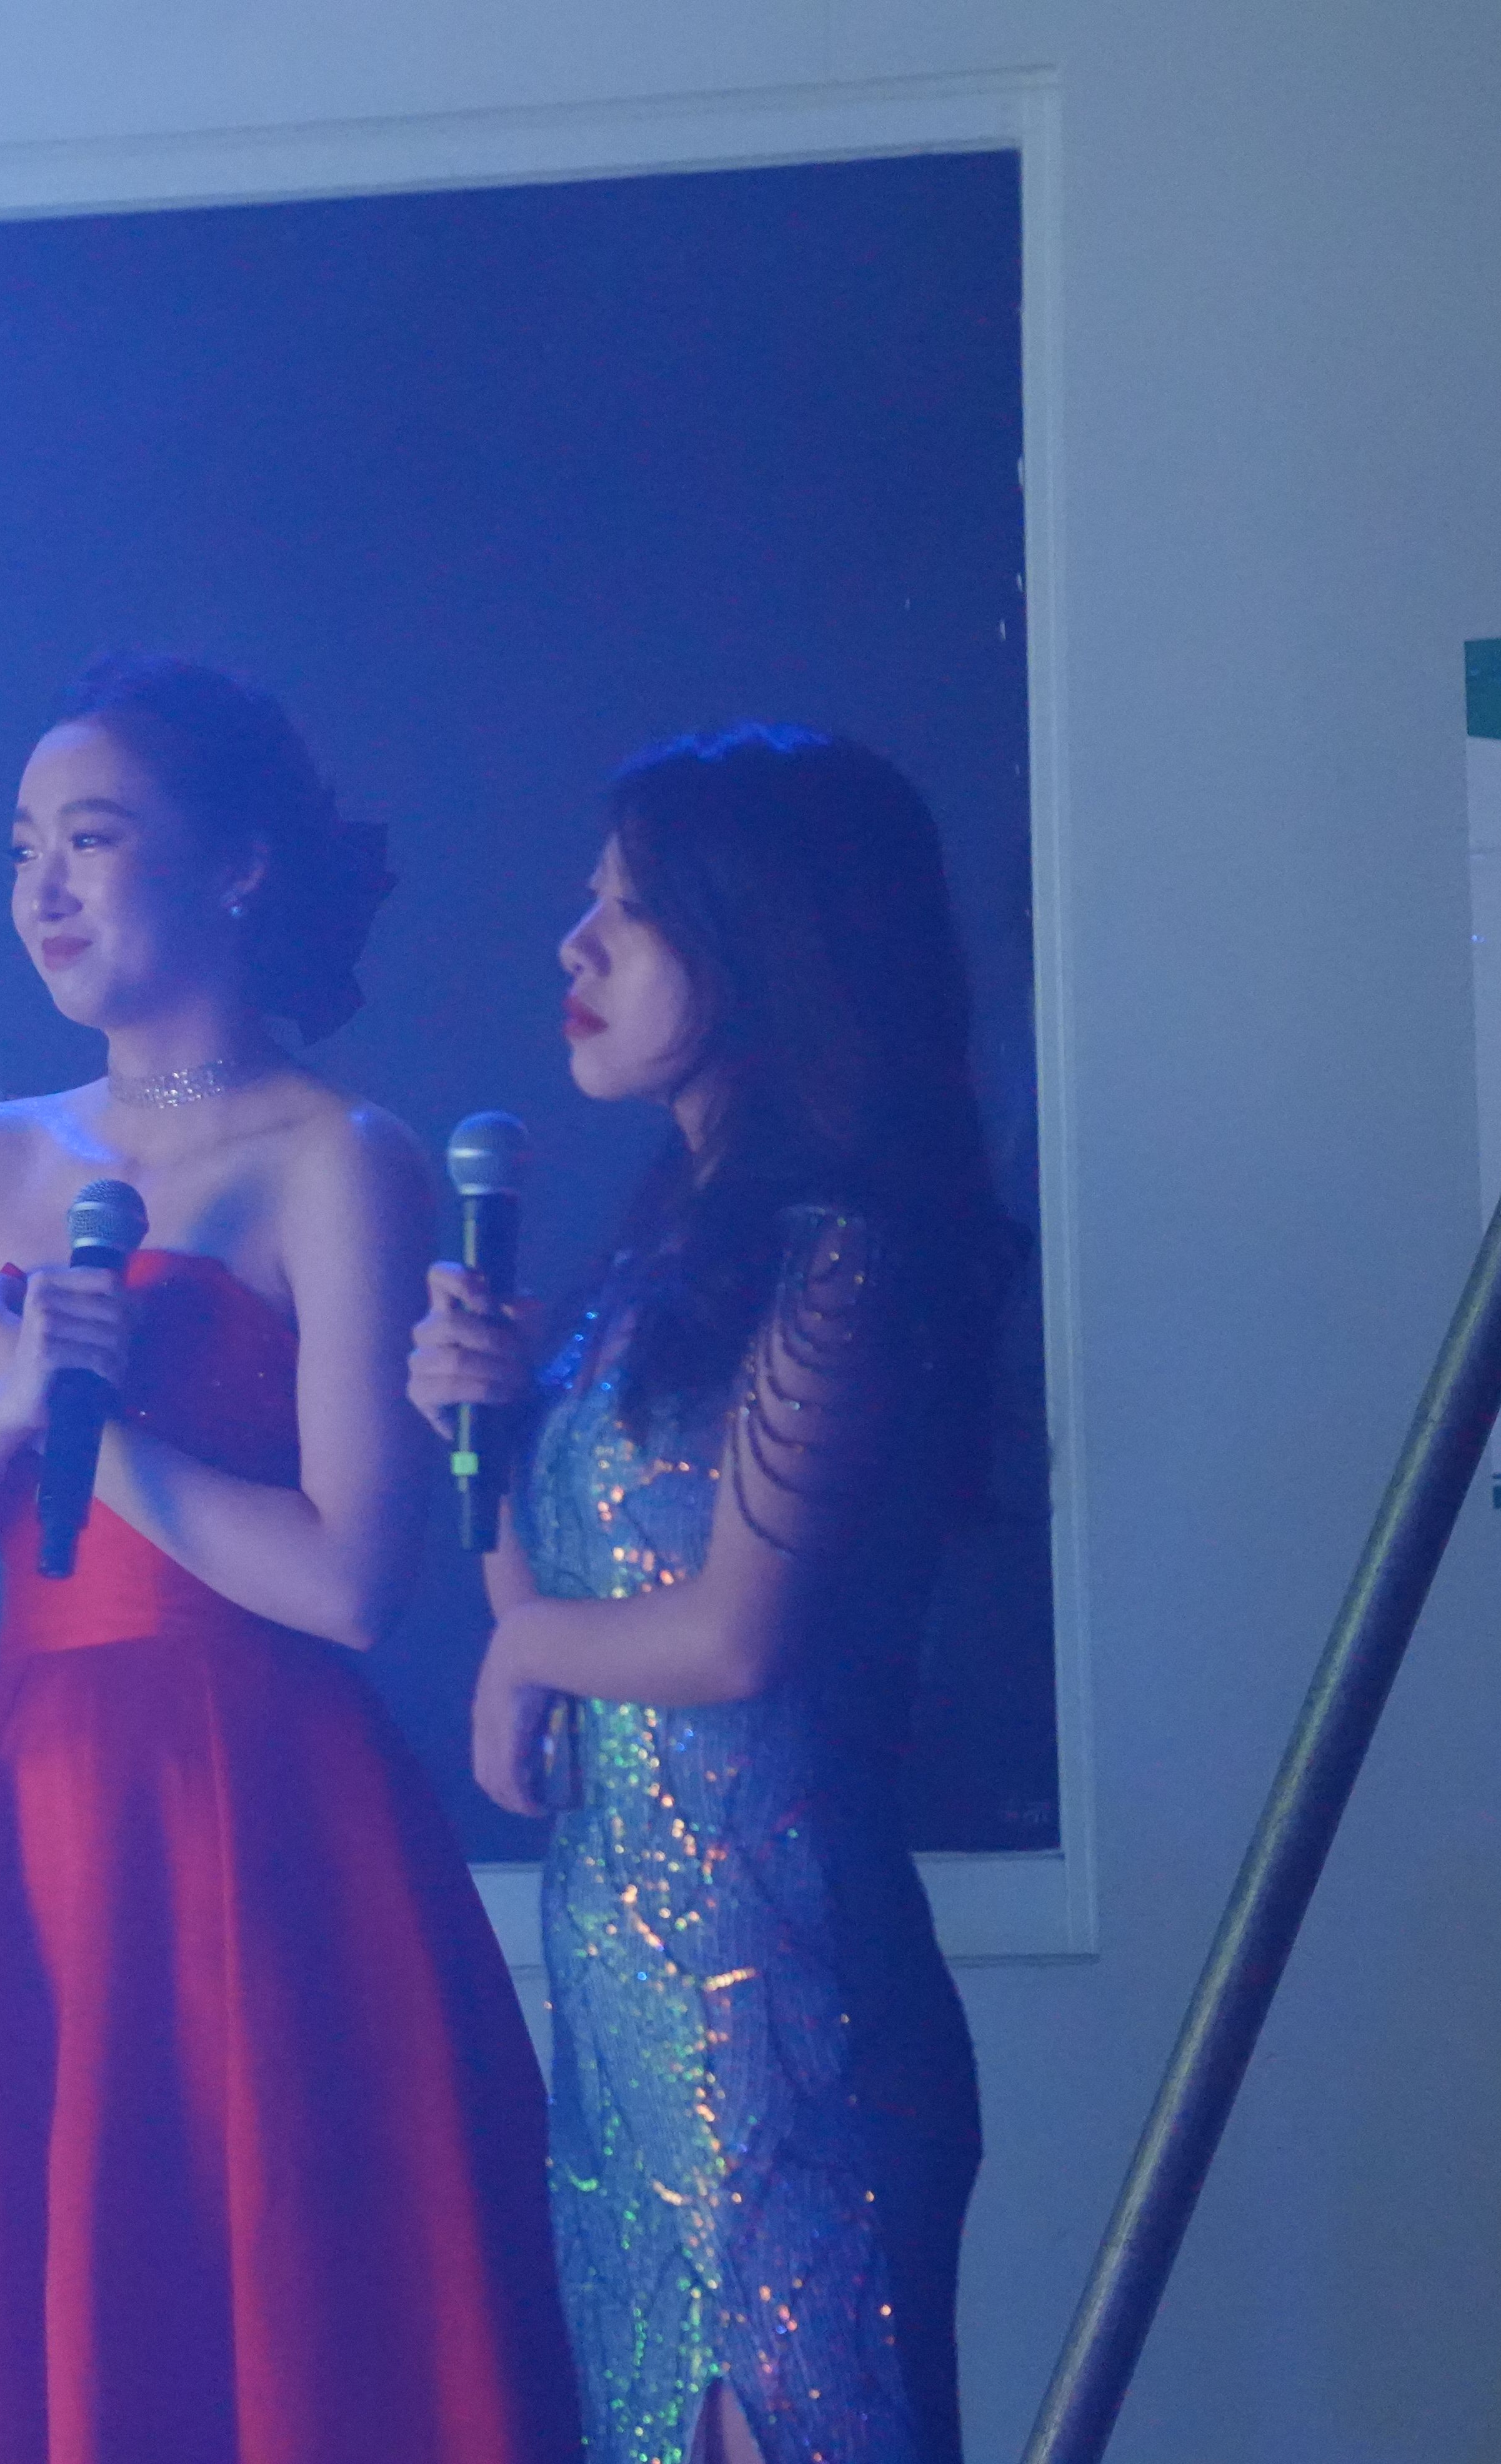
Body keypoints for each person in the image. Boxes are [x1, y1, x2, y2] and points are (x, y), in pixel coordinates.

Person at [0, 655, 576, 2464]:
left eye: (93, 838)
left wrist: (97, 1433)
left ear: (237, 867)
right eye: (21, 850)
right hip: (33, 1807)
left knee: (275, 2321)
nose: (42, 889)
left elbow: (354, 1581)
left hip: (256, 1809)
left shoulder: (339, 1157)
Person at [407, 727, 1000, 2464]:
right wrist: (486, 1428)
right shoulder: (657, 1267)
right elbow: (562, 1640)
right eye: (586, 903)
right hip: (626, 2013)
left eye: (634, 910)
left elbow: (735, 1634)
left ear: (768, 940)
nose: (574, 945)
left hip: (781, 2016)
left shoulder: (846, 1258)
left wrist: (524, 1644)